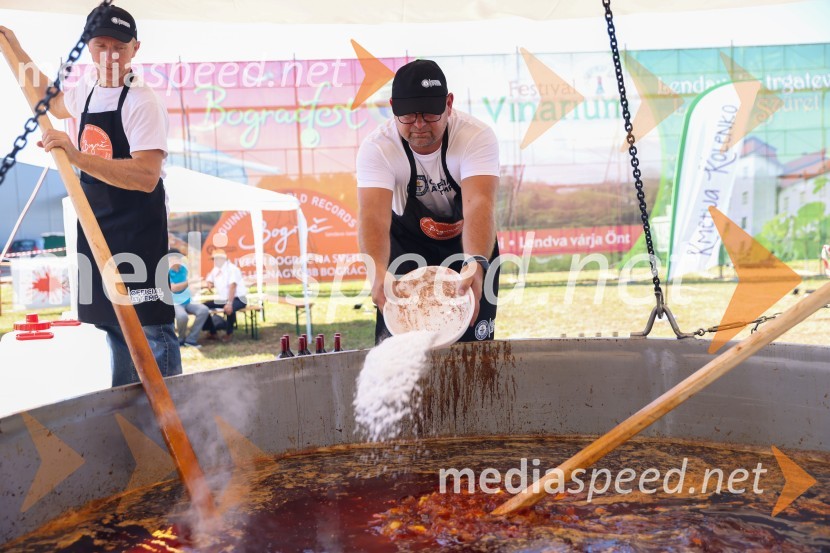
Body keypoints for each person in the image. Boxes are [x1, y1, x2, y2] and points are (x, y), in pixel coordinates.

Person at [0, 6, 181, 386]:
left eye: (119, 46)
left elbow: (146, 176)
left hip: (139, 230)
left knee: (151, 327)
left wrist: (75, 154)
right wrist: (12, 45)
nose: (110, 55)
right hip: (96, 220)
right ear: (89, 47)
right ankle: (130, 420)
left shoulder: (142, 101)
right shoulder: (86, 90)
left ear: (135, 49)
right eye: (100, 45)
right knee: (113, 324)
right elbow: (47, 97)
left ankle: (173, 421)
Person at [356, 59, 500, 344]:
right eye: (408, 116)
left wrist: (476, 263)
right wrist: (377, 271)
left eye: (430, 114)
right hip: (405, 245)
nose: (419, 125)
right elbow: (373, 217)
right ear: (393, 107)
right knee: (399, 349)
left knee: (474, 348)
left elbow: (479, 205)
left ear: (448, 103)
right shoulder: (377, 148)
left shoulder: (476, 136)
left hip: (468, 245)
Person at [202, 249, 248, 342]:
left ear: (223, 259)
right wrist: (209, 282)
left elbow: (233, 286)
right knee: (203, 307)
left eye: (217, 259)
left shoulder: (232, 269)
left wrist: (229, 303)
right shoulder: (216, 269)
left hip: (239, 299)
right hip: (223, 299)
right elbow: (209, 279)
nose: (215, 261)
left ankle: (229, 333)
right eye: (214, 259)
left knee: (228, 308)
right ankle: (213, 332)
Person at [168, 249, 209, 348]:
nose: (175, 261)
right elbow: (173, 288)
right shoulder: (167, 272)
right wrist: (190, 281)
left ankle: (191, 340)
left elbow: (192, 285)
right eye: (172, 258)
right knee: (182, 317)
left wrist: (202, 285)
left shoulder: (185, 269)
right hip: (175, 303)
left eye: (177, 258)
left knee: (204, 310)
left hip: (188, 300)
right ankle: (181, 339)